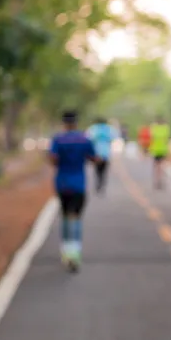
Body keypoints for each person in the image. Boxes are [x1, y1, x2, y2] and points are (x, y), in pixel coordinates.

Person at [49, 110, 98, 272]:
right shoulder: (85, 139)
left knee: (64, 215)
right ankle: (74, 253)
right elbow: (93, 158)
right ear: (76, 122)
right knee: (75, 217)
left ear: (64, 123)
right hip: (78, 184)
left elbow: (53, 159)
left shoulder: (58, 139)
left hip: (62, 183)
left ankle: (65, 251)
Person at [86, 117, 117, 194]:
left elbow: (88, 138)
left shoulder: (93, 128)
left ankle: (98, 183)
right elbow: (113, 138)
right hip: (106, 153)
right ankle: (101, 183)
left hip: (96, 153)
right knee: (103, 170)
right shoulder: (109, 129)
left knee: (97, 170)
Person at [149, 116, 171, 189]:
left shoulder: (154, 129)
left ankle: (157, 180)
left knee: (156, 166)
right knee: (162, 166)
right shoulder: (165, 129)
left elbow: (151, 137)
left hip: (155, 150)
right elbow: (167, 139)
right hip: (163, 150)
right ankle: (161, 179)